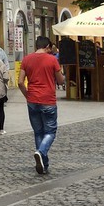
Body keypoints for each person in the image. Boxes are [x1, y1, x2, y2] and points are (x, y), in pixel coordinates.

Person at [19, 35, 63, 175]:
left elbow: (20, 82)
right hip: (48, 100)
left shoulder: (26, 59)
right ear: (47, 47)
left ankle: (44, 164)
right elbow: (61, 81)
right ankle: (41, 152)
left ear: (36, 46)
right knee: (50, 132)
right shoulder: (52, 60)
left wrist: (27, 95)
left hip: (32, 100)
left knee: (38, 132)